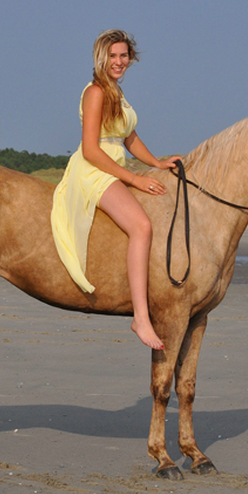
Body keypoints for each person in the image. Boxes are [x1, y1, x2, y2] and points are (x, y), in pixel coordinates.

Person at [51, 29, 180, 350]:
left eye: (124, 56)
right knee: (142, 226)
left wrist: (158, 163)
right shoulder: (96, 92)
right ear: (101, 58)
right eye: (113, 56)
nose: (119, 61)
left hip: (111, 167)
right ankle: (141, 317)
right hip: (93, 170)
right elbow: (91, 149)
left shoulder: (117, 92)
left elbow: (129, 138)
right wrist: (134, 180)